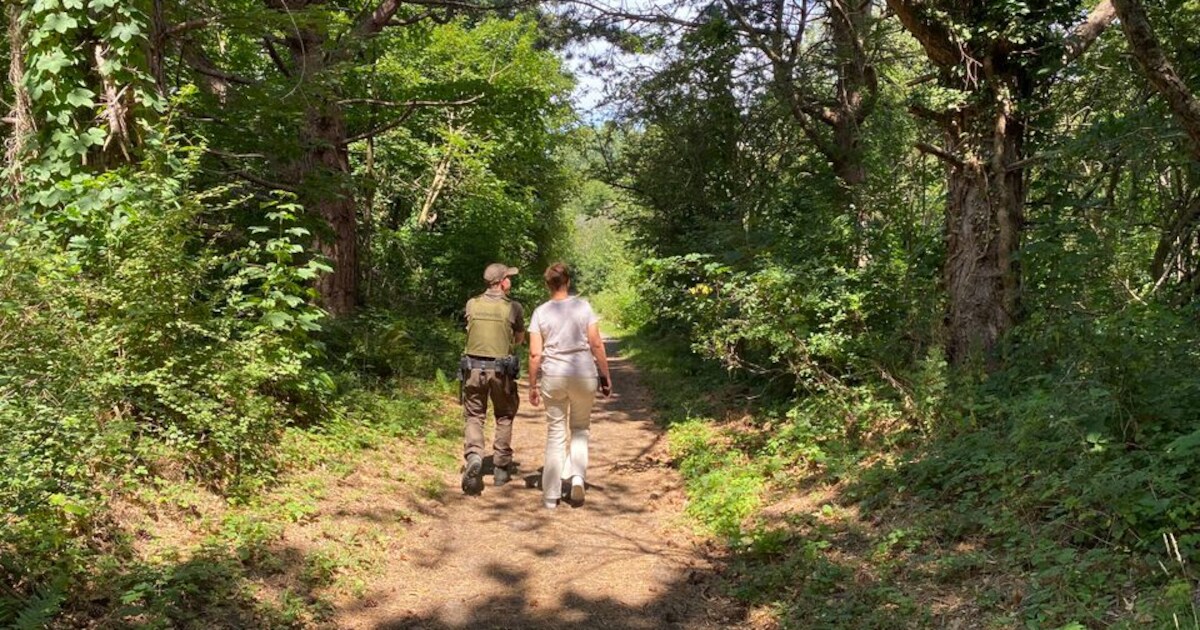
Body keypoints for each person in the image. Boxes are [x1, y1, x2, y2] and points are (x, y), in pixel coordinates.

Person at [527, 263, 612, 509]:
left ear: (547, 285)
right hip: (583, 373)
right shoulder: (583, 307)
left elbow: (534, 354)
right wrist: (605, 375)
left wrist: (532, 385)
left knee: (555, 433)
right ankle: (577, 477)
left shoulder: (540, 312)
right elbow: (596, 344)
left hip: (553, 375)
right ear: (568, 282)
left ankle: (551, 496)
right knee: (580, 429)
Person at [460, 263, 525, 495]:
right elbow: (518, 339)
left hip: (473, 370)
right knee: (504, 415)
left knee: (475, 415)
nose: (511, 281)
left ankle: (475, 455)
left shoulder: (472, 304)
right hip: (501, 372)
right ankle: (500, 468)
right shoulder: (513, 308)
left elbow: (468, 329)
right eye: (509, 277)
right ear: (502, 282)